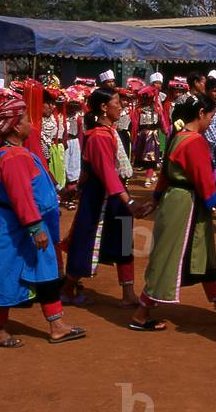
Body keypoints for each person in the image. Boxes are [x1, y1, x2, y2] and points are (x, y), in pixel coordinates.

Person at [0, 94, 86, 347]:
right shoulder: (14, 157)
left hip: (24, 224)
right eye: (27, 119)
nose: (31, 124)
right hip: (21, 227)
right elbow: (21, 196)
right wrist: (36, 228)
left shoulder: (12, 153)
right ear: (16, 125)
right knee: (4, 273)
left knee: (44, 271)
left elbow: (4, 191)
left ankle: (56, 324)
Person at [130, 94, 216, 332]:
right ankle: (141, 313)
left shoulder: (177, 137)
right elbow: (205, 183)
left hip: (180, 202)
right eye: (209, 117)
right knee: (170, 256)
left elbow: (165, 174)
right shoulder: (195, 142)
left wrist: (156, 201)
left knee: (202, 255)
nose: (210, 122)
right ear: (200, 114)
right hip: (185, 205)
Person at [62, 88, 142, 307]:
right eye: (117, 102)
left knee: (125, 242)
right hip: (100, 197)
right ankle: (68, 288)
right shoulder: (98, 136)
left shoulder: (108, 132)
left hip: (116, 195)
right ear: (104, 107)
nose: (122, 106)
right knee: (86, 241)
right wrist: (130, 201)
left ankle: (128, 293)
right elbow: (107, 172)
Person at [132, 86, 165, 188]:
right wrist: (134, 138)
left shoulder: (157, 109)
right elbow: (135, 124)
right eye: (145, 98)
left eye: (149, 98)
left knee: (152, 158)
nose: (147, 100)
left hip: (153, 135)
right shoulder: (139, 110)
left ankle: (148, 177)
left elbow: (162, 122)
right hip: (142, 136)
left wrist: (167, 131)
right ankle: (150, 175)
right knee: (143, 159)